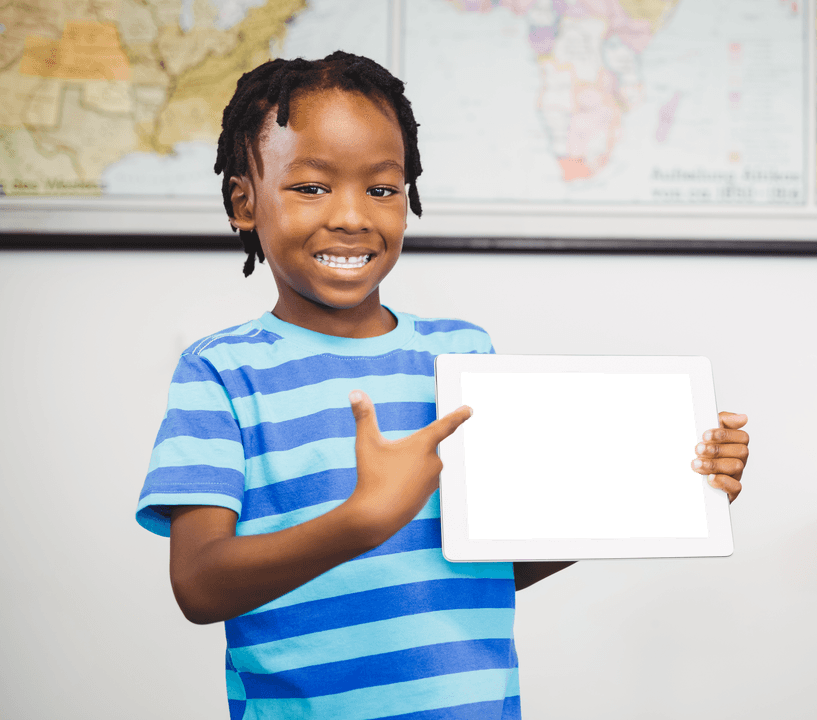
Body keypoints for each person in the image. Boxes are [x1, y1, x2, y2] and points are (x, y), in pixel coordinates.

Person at [135, 51, 750, 720]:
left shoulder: (462, 352)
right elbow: (199, 587)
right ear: (243, 202)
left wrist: (663, 488)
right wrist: (361, 520)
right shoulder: (222, 372)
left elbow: (495, 566)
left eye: (382, 188)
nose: (350, 215)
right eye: (311, 187)